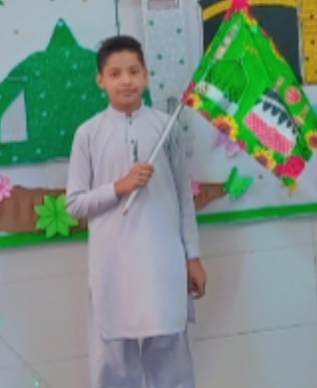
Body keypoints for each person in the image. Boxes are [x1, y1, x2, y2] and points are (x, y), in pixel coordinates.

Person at [66, 34, 207, 388]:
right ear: (101, 80)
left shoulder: (165, 127)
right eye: (115, 74)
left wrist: (192, 257)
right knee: (114, 364)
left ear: (146, 75)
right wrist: (119, 186)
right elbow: (75, 203)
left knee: (171, 359)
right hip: (112, 266)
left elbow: (183, 198)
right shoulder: (88, 134)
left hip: (162, 262)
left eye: (133, 71)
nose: (125, 81)